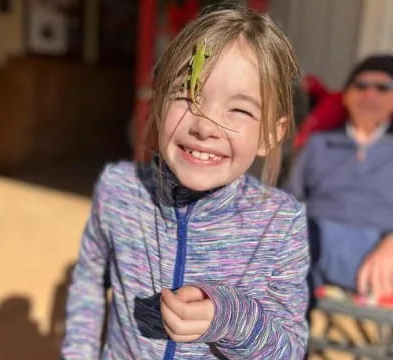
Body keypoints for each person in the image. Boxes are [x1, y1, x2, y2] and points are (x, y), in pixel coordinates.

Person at [62, 3, 309, 359]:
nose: (204, 126)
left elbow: (288, 350)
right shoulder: (118, 190)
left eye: (239, 109)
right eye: (186, 95)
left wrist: (230, 318)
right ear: (159, 105)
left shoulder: (281, 223)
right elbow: (88, 281)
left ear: (270, 134)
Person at [288, 55, 393, 301]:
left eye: (382, 88)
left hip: (381, 257)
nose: (370, 94)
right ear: (346, 95)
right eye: (361, 86)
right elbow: (288, 201)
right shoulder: (319, 145)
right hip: (315, 251)